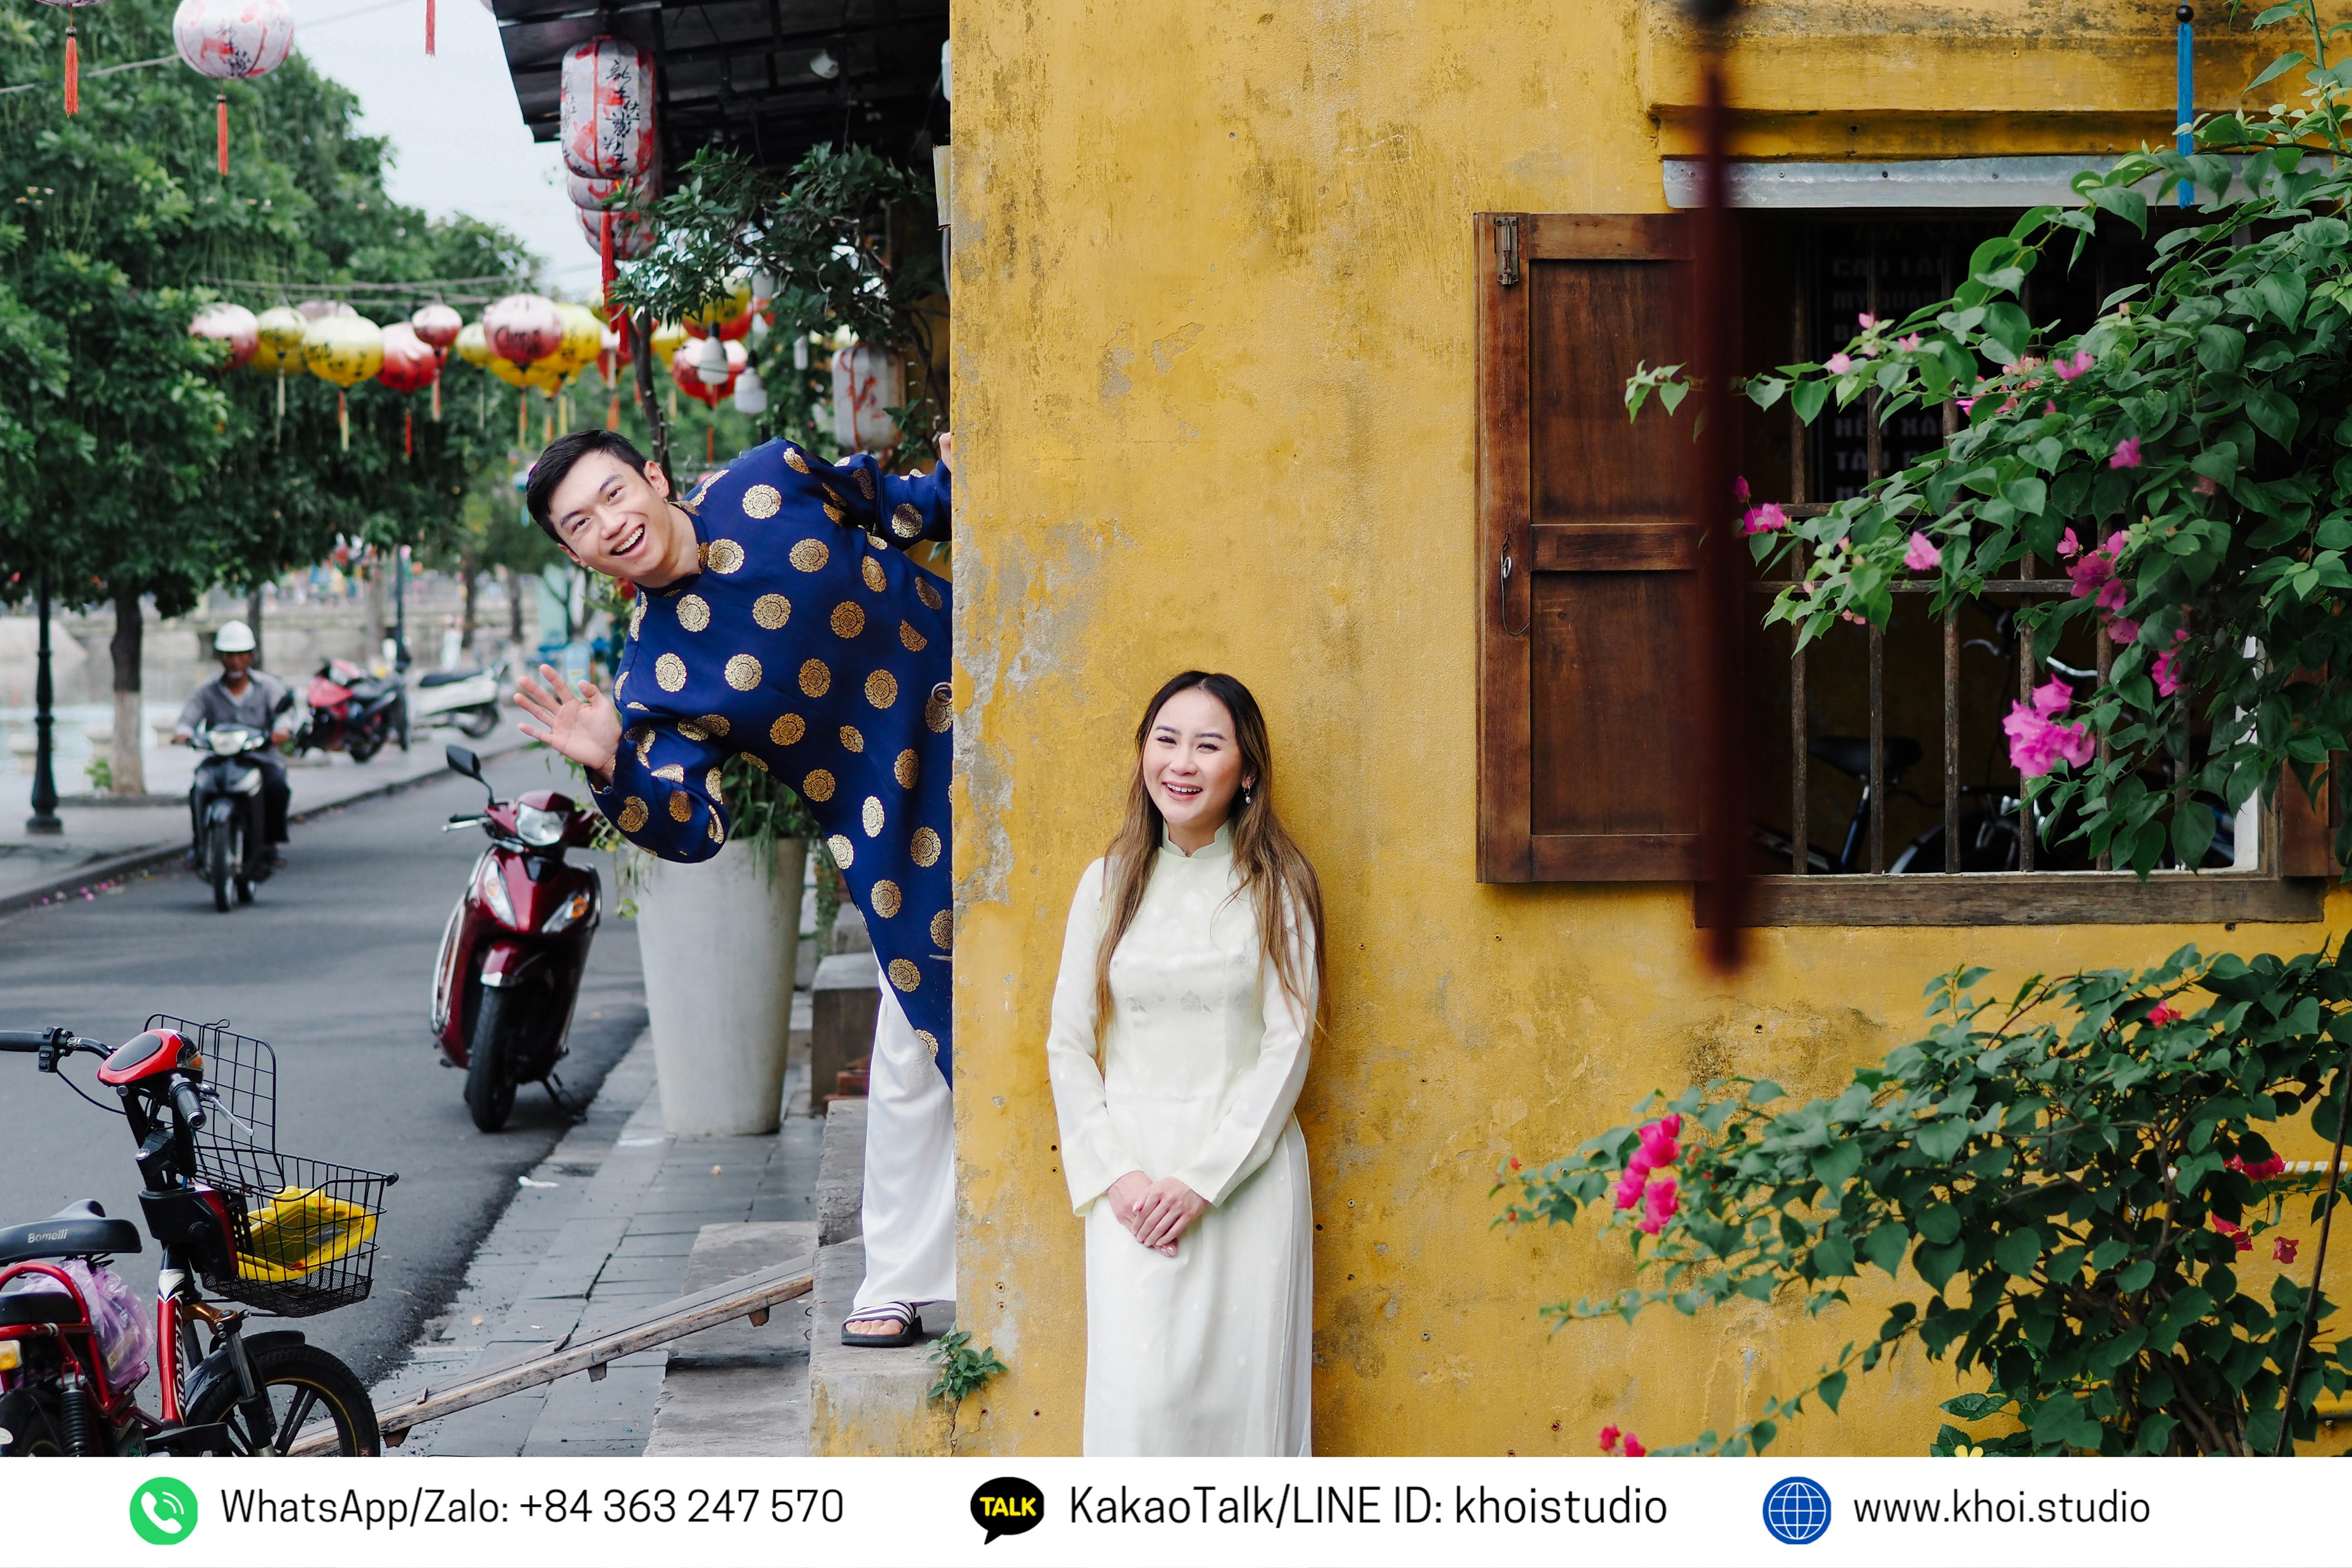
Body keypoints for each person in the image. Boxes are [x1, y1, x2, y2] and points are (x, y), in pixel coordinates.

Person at [513, 429, 956, 1349]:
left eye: (613, 493)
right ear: (576, 557)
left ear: (654, 477)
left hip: (995, 697)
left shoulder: (771, 478)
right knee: (918, 1033)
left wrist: (966, 471)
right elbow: (693, 827)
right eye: (580, 524)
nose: (610, 524)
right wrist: (613, 767)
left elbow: (902, 508)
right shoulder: (655, 680)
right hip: (893, 822)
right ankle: (900, 1278)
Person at [1043, 671, 1325, 1455]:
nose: (1182, 762)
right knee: (1137, 1409)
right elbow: (1068, 1042)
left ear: (1248, 769)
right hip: (1130, 1187)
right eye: (1166, 740)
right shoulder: (1108, 883)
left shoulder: (1277, 887)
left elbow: (1289, 1046)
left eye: (1208, 745)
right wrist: (1119, 1178)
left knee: (1243, 1418)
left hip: (1245, 1180)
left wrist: (1203, 1180)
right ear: (1143, 753)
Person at [172, 620, 292, 868]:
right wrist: (183, 734)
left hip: (259, 756)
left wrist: (282, 730)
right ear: (220, 657)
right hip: (219, 758)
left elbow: (284, 715)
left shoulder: (268, 687)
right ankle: (199, 845)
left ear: (251, 656)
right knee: (198, 787)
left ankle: (270, 844)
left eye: (241, 655)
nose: (235, 661)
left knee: (277, 783)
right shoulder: (206, 691)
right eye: (229, 655)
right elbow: (188, 720)